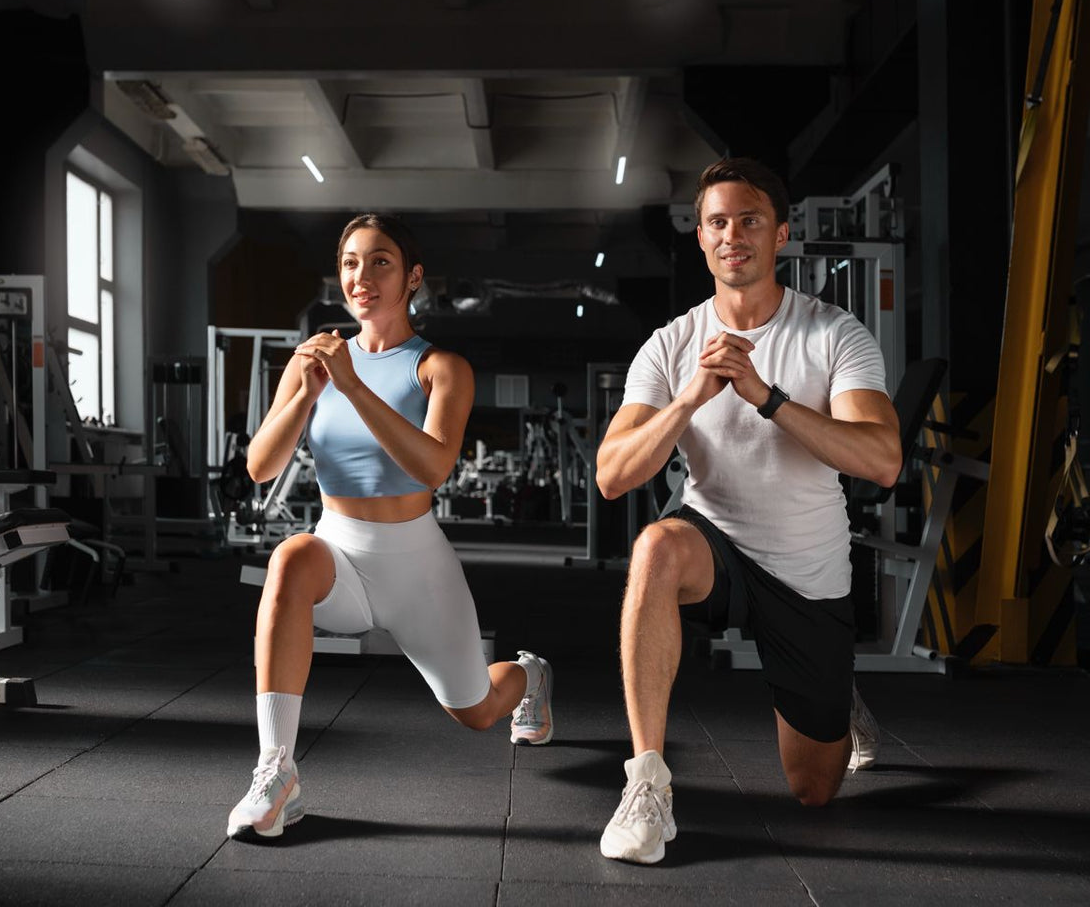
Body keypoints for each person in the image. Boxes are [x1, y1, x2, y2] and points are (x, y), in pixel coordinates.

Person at [593, 157, 900, 864]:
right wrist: (689, 398)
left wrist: (765, 395)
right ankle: (646, 783)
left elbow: (882, 459)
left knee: (814, 793)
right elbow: (612, 475)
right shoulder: (670, 344)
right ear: (701, 239)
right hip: (715, 549)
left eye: (751, 220)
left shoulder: (833, 334)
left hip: (806, 572)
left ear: (781, 234)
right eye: (718, 222)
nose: (734, 235)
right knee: (656, 548)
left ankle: (838, 696)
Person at [227, 213, 554, 841]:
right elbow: (260, 464)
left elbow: (433, 467)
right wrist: (309, 390)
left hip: (417, 567)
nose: (362, 276)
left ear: (413, 277)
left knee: (478, 712)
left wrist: (350, 385)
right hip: (340, 555)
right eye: (351, 262)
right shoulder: (312, 361)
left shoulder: (440, 367)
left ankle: (531, 675)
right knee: (291, 556)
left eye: (380, 261)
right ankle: (276, 771)